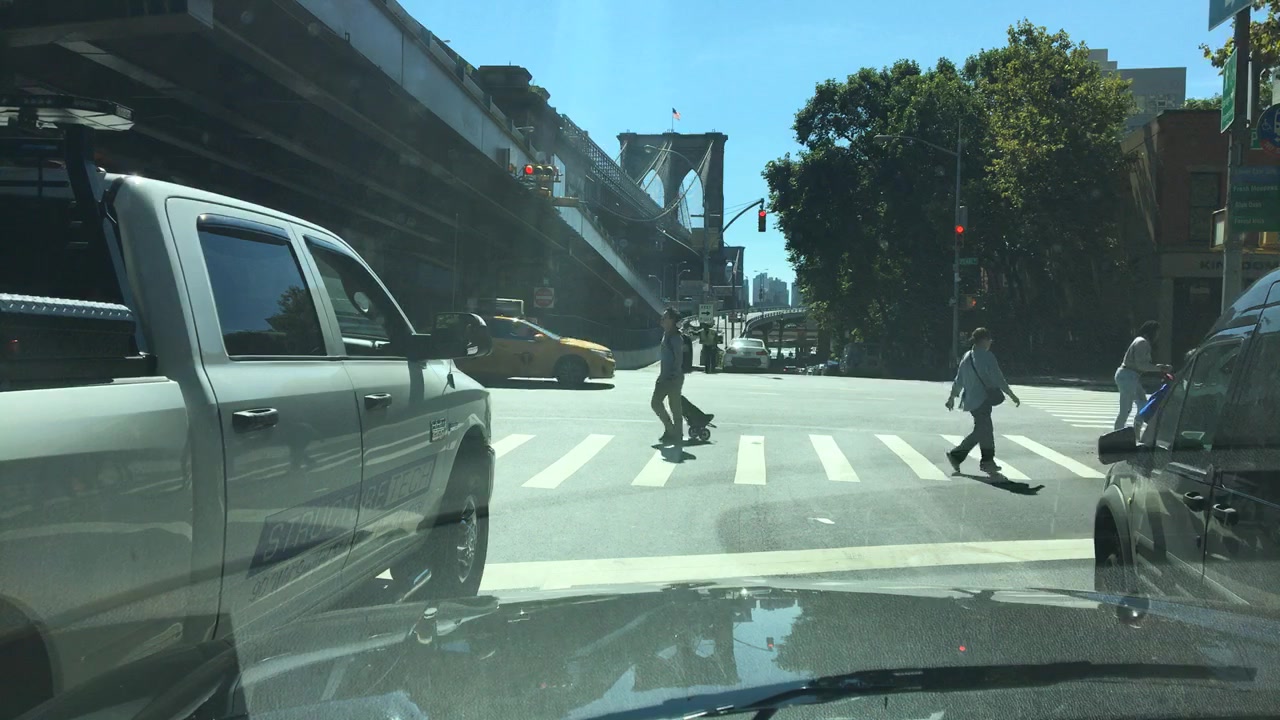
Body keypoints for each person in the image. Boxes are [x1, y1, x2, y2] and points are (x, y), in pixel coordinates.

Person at [945, 327, 1020, 474]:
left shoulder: (966, 356)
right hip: (983, 400)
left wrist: (952, 397)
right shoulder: (987, 356)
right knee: (983, 430)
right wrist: (1011, 395)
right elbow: (999, 378)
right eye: (989, 340)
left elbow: (959, 380)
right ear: (984, 340)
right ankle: (959, 455)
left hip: (970, 401)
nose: (990, 343)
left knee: (984, 430)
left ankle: (986, 461)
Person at [1114, 321, 1170, 434]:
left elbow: (1141, 364)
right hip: (1128, 376)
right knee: (1126, 409)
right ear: (1152, 332)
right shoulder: (1142, 343)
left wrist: (1158, 367)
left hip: (1130, 375)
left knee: (1142, 404)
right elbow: (1141, 365)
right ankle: (1117, 434)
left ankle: (1135, 432)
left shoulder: (1141, 341)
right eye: (1157, 333)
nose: (1157, 336)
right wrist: (1160, 369)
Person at [652, 308, 685, 445]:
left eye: (665, 317)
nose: (662, 319)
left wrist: (672, 375)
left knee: (666, 405)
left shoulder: (675, 337)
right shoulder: (667, 334)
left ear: (671, 320)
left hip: (671, 377)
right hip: (666, 376)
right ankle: (673, 431)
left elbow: (678, 358)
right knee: (669, 405)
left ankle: (673, 432)